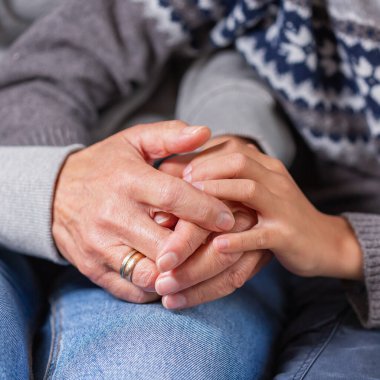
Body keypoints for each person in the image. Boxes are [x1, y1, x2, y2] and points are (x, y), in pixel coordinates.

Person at [0, 1, 379, 379]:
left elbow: (236, 52)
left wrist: (343, 241)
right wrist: (60, 183)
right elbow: (56, 63)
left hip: (320, 250)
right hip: (33, 181)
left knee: (157, 365)